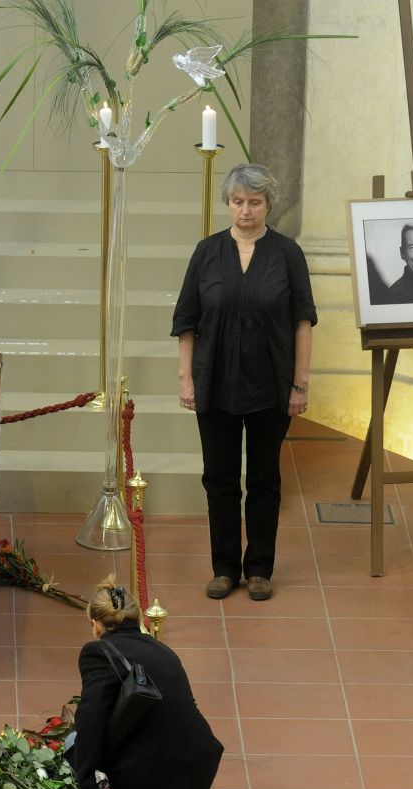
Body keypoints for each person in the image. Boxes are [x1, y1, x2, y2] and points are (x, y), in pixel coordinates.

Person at [172, 163, 315, 602]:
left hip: (271, 387)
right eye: (237, 202)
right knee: (219, 478)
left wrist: (300, 384)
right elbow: (187, 321)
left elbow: (303, 322)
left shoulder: (287, 254)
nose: (245, 211)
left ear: (268, 204)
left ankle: (259, 569)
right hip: (214, 384)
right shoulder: (207, 252)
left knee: (265, 479)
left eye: (254, 202)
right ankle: (224, 567)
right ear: (228, 204)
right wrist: (186, 379)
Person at [70, 576, 223, 789]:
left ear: (96, 624)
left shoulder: (98, 652)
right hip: (195, 768)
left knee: (72, 745)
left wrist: (89, 782)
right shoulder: (162, 649)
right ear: (137, 617)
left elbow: (90, 719)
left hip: (154, 778)